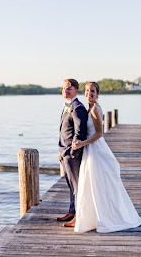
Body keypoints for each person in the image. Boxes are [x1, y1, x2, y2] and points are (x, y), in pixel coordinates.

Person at [71, 82, 141, 232]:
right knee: (90, 183)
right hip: (89, 149)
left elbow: (99, 134)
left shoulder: (96, 109)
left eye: (92, 91)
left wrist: (82, 143)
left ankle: (108, 217)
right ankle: (91, 219)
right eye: (87, 91)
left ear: (97, 94)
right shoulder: (88, 108)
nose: (89, 93)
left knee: (99, 183)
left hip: (96, 148)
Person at [57, 78, 88, 227]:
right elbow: (63, 131)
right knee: (70, 184)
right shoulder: (67, 106)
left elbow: (79, 133)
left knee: (77, 186)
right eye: (64, 88)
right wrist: (60, 151)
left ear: (76, 90)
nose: (66, 91)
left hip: (71, 153)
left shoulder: (78, 108)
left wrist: (71, 152)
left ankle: (79, 216)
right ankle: (72, 210)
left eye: (69, 88)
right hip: (64, 152)